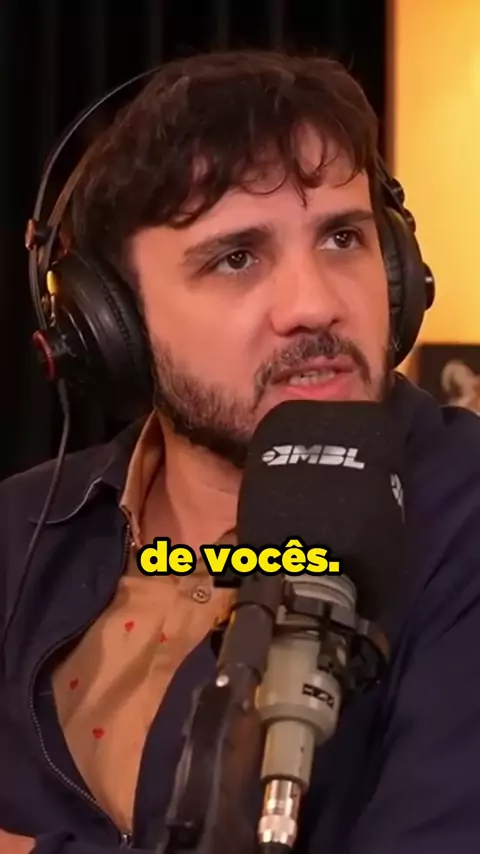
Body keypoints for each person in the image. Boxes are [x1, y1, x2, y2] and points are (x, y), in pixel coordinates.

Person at [2, 49, 480, 854]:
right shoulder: (16, 533)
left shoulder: (464, 519)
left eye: (343, 238)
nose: (315, 305)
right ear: (110, 322)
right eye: (237, 258)